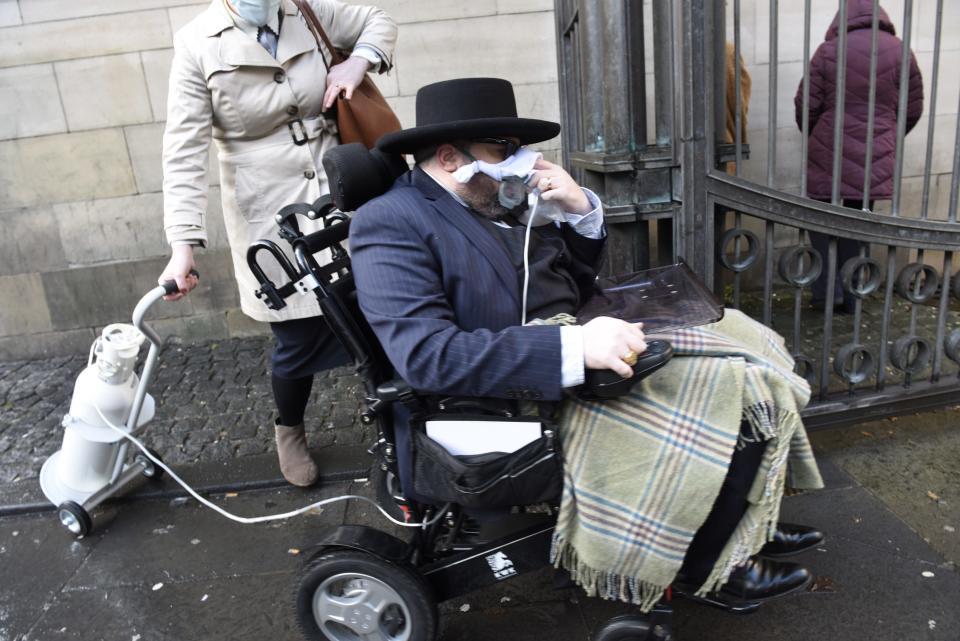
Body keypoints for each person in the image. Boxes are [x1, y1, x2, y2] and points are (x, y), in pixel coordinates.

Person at [350, 78, 825, 607]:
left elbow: (568, 281)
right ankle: (706, 563)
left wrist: (580, 212)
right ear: (448, 157)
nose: (523, 162)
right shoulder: (390, 222)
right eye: (504, 149)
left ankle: (739, 518)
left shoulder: (489, 199)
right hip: (511, 388)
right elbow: (427, 357)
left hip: (581, 333)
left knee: (747, 338)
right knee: (735, 388)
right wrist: (572, 350)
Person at [158, 0, 397, 487]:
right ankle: (289, 428)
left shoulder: (305, 9)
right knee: (296, 335)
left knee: (378, 306)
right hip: (266, 206)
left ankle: (396, 418)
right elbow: (183, 149)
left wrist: (359, 60)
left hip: (340, 184)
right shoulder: (195, 42)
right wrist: (182, 244)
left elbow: (377, 19)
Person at [795, 0, 922, 311]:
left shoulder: (829, 51)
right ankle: (853, 296)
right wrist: (888, 134)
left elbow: (805, 104)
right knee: (859, 222)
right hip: (875, 154)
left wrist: (815, 134)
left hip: (829, 147)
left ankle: (826, 294)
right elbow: (913, 106)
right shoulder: (900, 50)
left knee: (820, 219)